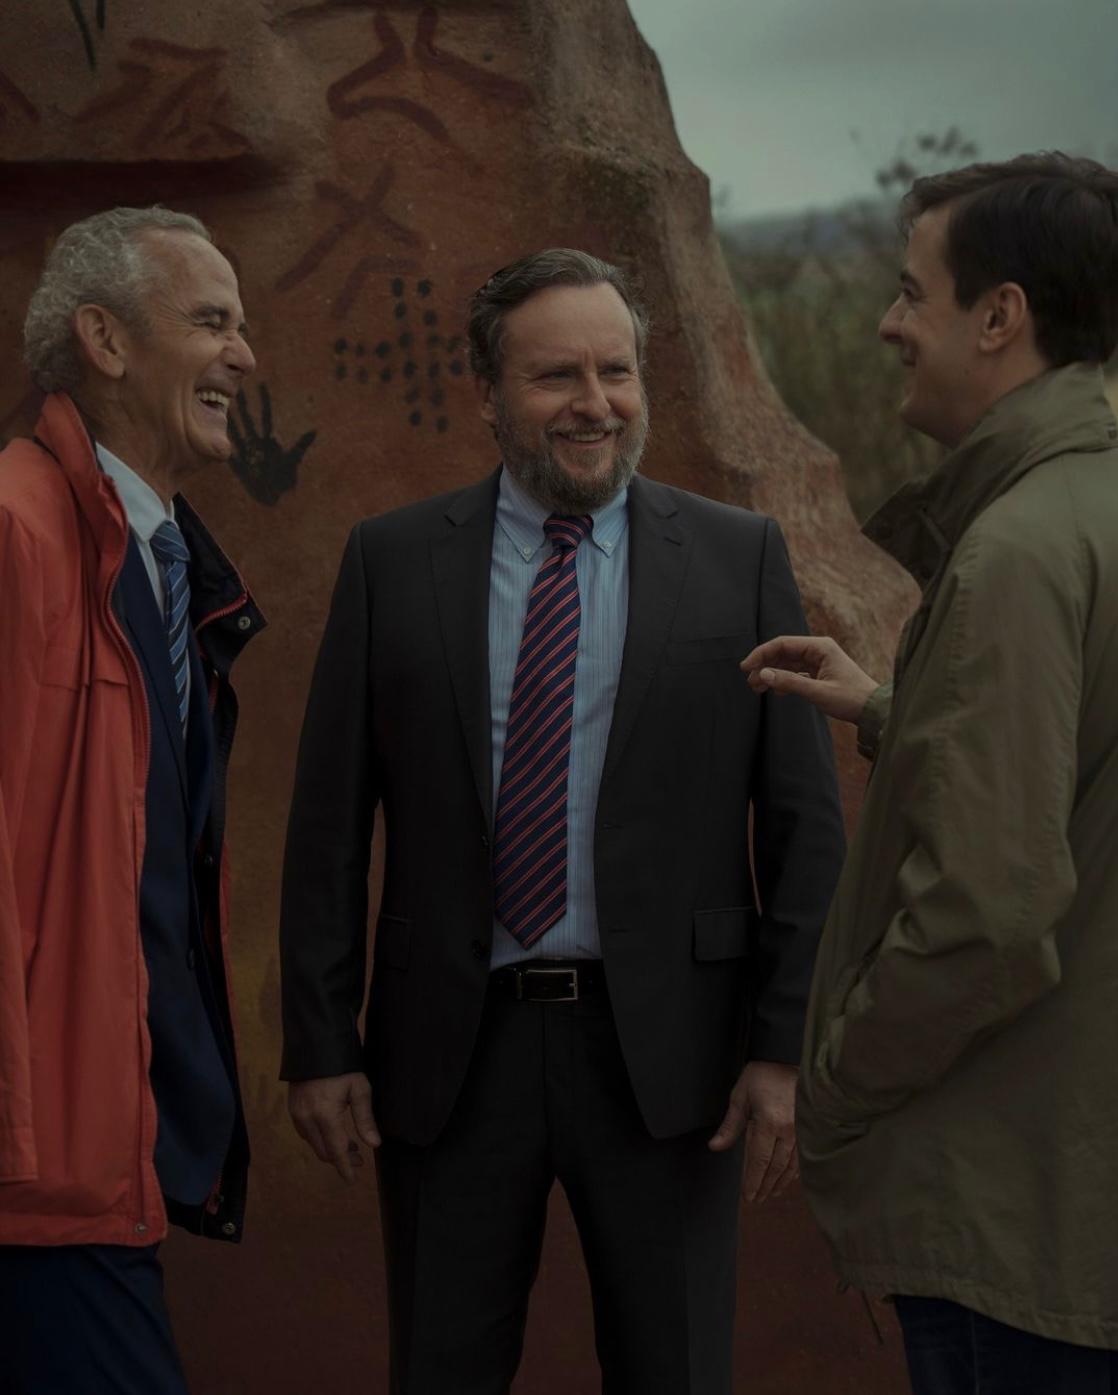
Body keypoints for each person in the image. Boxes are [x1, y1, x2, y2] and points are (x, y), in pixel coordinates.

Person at [279, 248, 845, 1394]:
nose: (595, 403)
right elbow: (329, 824)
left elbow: (802, 827)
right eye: (556, 376)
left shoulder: (738, 558)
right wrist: (320, 1042)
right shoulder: (391, 561)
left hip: (671, 1063)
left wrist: (781, 1048)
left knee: (673, 1372)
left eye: (615, 371)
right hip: (448, 1059)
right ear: (486, 393)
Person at [742, 153, 1118, 1395]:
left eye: (911, 292)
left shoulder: (1016, 550)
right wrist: (893, 712)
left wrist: (837, 1082)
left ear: (998, 315)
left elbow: (985, 916)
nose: (887, 324)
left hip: (1011, 1223)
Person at [0, 207, 263, 1393]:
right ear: (104, 341)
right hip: (37, 1164)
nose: (243, 356)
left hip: (109, 1147)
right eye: (210, 321)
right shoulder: (15, 532)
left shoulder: (159, 559)